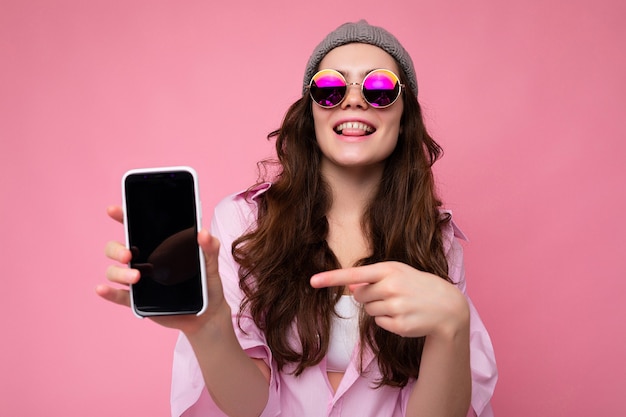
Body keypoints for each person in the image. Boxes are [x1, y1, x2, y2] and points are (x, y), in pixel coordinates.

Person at [98, 20, 497, 417]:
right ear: (310, 113)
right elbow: (250, 406)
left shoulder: (435, 239)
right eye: (329, 88)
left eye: (379, 88)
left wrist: (453, 326)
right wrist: (208, 329)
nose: (354, 100)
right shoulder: (244, 224)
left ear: (404, 115)